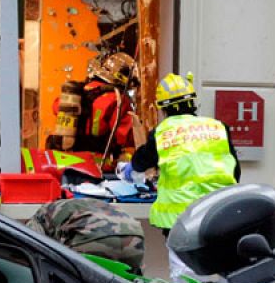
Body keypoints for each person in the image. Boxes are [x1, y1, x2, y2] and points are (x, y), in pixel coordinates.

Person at [133, 72, 240, 231]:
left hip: (180, 221)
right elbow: (235, 172)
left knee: (181, 256)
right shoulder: (218, 127)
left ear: (162, 108)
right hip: (218, 214)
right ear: (192, 101)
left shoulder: (162, 133)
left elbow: (138, 163)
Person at [52, 52, 138, 165]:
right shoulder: (117, 99)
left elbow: (55, 107)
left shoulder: (79, 92)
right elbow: (125, 137)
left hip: (67, 160)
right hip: (98, 163)